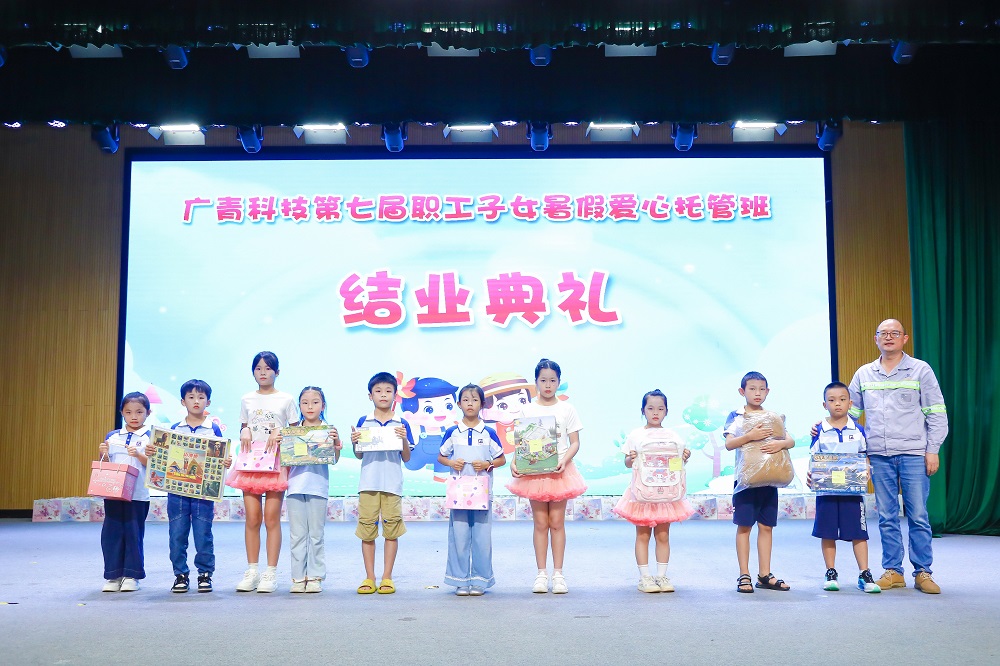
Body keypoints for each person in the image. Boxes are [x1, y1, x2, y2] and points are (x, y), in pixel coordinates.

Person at [848, 319, 948, 594]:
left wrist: (933, 450)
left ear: (905, 339)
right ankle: (893, 571)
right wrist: (825, 427)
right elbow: (849, 414)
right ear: (876, 339)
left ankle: (923, 572)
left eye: (895, 333)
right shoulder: (864, 373)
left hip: (914, 453)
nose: (889, 337)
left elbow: (937, 412)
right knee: (886, 516)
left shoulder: (920, 370)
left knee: (918, 515)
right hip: (879, 455)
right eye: (883, 333)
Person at [506, 358, 587, 594]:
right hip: (534, 473)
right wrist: (514, 461)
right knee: (541, 523)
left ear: (559, 382)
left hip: (560, 471)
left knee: (557, 523)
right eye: (543, 380)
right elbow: (521, 442)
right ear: (536, 382)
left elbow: (575, 442)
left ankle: (558, 574)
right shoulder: (527, 409)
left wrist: (564, 460)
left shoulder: (567, 409)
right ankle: (541, 574)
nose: (548, 385)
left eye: (552, 380)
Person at [144, 379, 232, 593]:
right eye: (191, 397)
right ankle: (180, 574)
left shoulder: (213, 429)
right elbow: (163, 458)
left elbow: (221, 457)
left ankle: (205, 574)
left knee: (203, 533)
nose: (196, 401)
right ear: (183, 401)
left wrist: (225, 461)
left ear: (208, 402)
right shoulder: (174, 429)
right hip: (177, 492)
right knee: (177, 534)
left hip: (203, 494)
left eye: (201, 397)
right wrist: (152, 452)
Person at [227, 351, 299, 593]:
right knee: (252, 518)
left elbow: (296, 432)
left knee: (271, 518)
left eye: (268, 368)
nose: (263, 373)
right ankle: (252, 571)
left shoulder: (286, 399)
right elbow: (244, 426)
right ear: (253, 372)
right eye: (258, 368)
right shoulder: (247, 399)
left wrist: (281, 432)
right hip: (250, 462)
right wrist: (244, 430)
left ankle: (271, 573)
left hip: (275, 462)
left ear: (277, 372)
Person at [612, 389, 693, 593]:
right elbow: (627, 463)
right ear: (643, 410)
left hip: (666, 494)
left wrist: (683, 458)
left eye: (660, 409)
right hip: (642, 493)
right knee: (643, 535)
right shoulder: (635, 435)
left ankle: (662, 576)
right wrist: (630, 458)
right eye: (650, 408)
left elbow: (675, 466)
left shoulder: (673, 436)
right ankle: (645, 577)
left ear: (666, 411)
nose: (655, 413)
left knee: (663, 535)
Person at [724, 371, 796, 593]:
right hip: (746, 481)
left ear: (767, 391)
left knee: (766, 527)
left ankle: (765, 574)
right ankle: (744, 574)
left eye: (761, 389)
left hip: (769, 479)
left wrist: (780, 444)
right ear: (742, 391)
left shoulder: (772, 417)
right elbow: (729, 444)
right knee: (744, 526)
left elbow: (790, 440)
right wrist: (750, 436)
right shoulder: (736, 416)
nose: (757, 393)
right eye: (752, 389)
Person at [807, 382, 880, 594]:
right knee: (827, 531)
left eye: (842, 399)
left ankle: (864, 573)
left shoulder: (858, 430)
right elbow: (814, 459)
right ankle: (830, 572)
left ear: (850, 403)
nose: (837, 404)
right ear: (824, 404)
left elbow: (864, 456)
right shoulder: (819, 430)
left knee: (859, 532)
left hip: (852, 492)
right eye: (831, 400)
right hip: (827, 492)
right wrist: (812, 475)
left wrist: (866, 470)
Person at [437, 384, 506, 596]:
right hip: (458, 495)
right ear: (459, 404)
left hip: (482, 494)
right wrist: (451, 463)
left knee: (482, 538)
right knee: (458, 536)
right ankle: (460, 580)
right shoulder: (452, 432)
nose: (470, 404)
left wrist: (487, 464)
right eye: (466, 400)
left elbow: (501, 459)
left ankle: (480, 581)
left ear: (482, 404)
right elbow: (441, 457)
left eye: (475, 400)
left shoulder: (489, 433)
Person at [350, 372, 414, 595]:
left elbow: (407, 457)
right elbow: (359, 455)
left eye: (388, 391)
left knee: (391, 530)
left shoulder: (401, 423)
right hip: (368, 483)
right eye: (378, 391)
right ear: (370, 396)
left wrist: (403, 438)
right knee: (367, 530)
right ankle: (370, 577)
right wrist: (355, 442)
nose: (383, 395)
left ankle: (387, 577)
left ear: (395, 395)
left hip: (392, 484)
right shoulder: (364, 421)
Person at [283, 386, 341, 593]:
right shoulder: (291, 431)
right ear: (299, 406)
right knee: (297, 534)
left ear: (323, 406)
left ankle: (315, 577)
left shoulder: (328, 430)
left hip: (318, 487)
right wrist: (282, 442)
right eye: (305, 403)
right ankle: (298, 577)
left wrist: (336, 443)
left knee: (316, 534)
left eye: (315, 402)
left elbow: (334, 459)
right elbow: (284, 458)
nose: (310, 406)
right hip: (294, 487)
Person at [99, 392, 153, 592]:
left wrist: (139, 455)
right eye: (128, 412)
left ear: (148, 413)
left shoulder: (151, 437)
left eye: (139, 412)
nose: (134, 416)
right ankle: (113, 575)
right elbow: (106, 463)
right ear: (121, 412)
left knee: (133, 534)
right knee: (111, 533)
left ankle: (132, 575)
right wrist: (103, 453)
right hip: (113, 493)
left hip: (137, 495)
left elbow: (155, 467)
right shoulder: (112, 436)